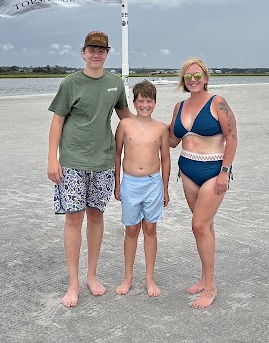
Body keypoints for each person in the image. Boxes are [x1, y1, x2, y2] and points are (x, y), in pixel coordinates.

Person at [47, 30, 133, 308]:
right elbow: (57, 121)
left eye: (101, 50)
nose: (96, 54)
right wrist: (52, 159)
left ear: (107, 54)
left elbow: (126, 117)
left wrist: (153, 129)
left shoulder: (115, 84)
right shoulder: (70, 83)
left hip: (103, 161)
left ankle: (91, 276)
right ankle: (73, 283)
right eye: (91, 50)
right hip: (72, 161)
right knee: (74, 218)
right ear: (83, 53)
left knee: (96, 215)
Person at [169, 57, 237, 309]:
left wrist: (224, 172)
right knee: (205, 226)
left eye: (198, 75)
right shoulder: (179, 106)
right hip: (187, 170)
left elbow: (232, 138)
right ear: (183, 80)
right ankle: (204, 277)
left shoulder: (218, 103)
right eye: (188, 76)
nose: (193, 80)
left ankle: (210, 287)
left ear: (206, 78)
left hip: (213, 171)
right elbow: (172, 140)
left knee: (198, 225)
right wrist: (142, 126)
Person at [114, 80, 171, 297]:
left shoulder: (161, 128)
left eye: (149, 101)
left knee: (150, 229)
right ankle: (127, 277)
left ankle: (149, 278)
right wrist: (117, 182)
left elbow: (165, 159)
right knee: (131, 230)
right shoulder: (125, 125)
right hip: (130, 182)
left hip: (153, 183)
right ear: (134, 102)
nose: (144, 105)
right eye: (140, 101)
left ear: (155, 103)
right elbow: (117, 154)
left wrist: (165, 188)